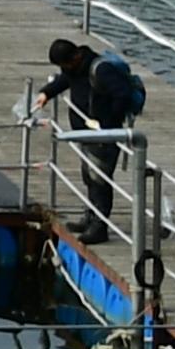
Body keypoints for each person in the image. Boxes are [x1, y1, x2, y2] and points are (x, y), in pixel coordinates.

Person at [42, 38, 143, 242]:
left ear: (75, 57)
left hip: (102, 135)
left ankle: (100, 226)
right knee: (89, 177)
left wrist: (107, 123)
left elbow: (121, 96)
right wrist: (46, 93)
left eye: (64, 65)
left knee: (100, 180)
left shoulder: (101, 70)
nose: (65, 69)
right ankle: (91, 215)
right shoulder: (75, 69)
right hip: (86, 134)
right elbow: (64, 81)